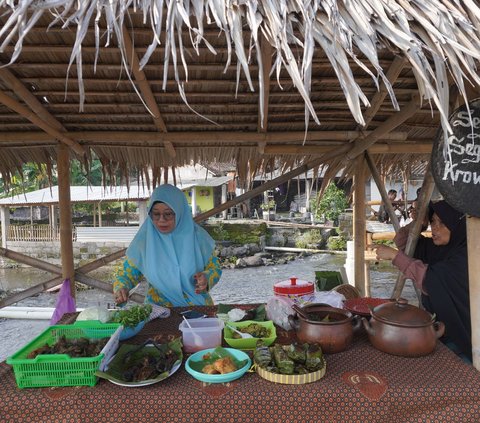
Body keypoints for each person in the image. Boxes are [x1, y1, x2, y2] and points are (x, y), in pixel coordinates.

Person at [372, 200, 471, 361]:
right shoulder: (436, 248)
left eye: (443, 223)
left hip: (463, 337)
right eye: (433, 221)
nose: (435, 228)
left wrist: (395, 256)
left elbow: (430, 279)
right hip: (440, 332)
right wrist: (420, 222)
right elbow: (403, 240)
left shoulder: (466, 256)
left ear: (457, 225)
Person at [113, 184, 222, 307]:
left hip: (198, 308)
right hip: (159, 311)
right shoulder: (144, 242)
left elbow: (215, 268)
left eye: (168, 214)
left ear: (180, 212)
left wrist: (206, 278)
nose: (161, 220)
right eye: (156, 214)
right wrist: (121, 287)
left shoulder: (198, 238)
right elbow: (127, 273)